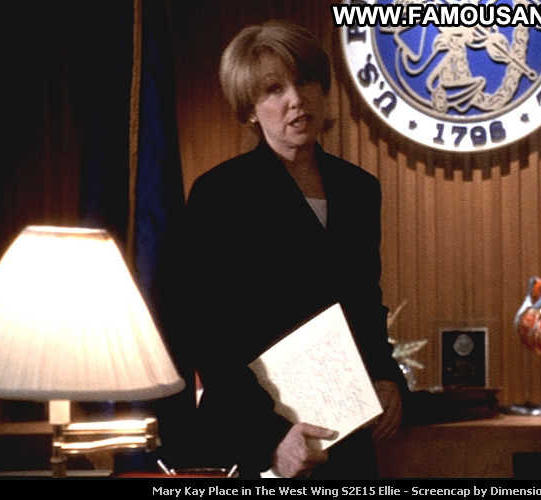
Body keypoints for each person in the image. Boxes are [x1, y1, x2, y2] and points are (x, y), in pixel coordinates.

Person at [164, 20, 405, 479]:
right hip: (254, 431)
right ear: (250, 110)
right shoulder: (219, 193)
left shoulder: (358, 189)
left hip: (345, 424)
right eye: (274, 89)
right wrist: (271, 439)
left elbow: (364, 301)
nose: (296, 99)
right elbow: (206, 335)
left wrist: (387, 376)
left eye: (306, 80)